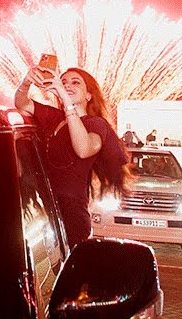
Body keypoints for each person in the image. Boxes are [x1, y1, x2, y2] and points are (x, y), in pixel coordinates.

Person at [14, 65, 129, 247]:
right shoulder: (55, 117)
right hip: (44, 212)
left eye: (76, 83)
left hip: (71, 216)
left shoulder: (96, 124)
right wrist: (27, 81)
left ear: (88, 96)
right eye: (64, 81)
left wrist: (67, 102)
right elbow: (22, 102)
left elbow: (84, 149)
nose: (67, 85)